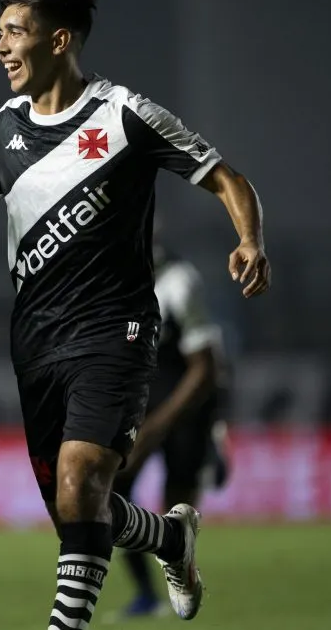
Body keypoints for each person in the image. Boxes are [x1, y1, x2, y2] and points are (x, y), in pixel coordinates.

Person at [0, 0, 270, 628]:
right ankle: (170, 538)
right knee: (78, 509)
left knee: (83, 483)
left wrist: (248, 237)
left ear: (59, 39)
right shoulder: (5, 126)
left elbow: (226, 176)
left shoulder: (125, 115)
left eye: (13, 32)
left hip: (117, 327)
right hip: (36, 340)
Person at [109, 237, 233, 621]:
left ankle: (178, 570)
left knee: (176, 507)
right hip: (143, 410)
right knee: (110, 497)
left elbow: (206, 368)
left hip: (186, 412)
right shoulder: (117, 288)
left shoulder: (179, 282)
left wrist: (157, 426)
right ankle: (147, 595)